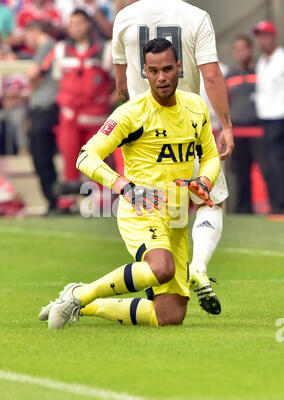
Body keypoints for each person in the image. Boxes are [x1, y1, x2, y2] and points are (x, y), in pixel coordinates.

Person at [41, 38, 221, 330]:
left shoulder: (196, 107)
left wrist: (204, 179)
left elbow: (211, 155)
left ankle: (84, 305)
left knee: (169, 316)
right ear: (145, 73)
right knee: (160, 268)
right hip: (142, 208)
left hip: (177, 214)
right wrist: (124, 186)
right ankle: (78, 295)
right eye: (153, 71)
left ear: (179, 68)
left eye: (167, 69)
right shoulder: (131, 113)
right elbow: (86, 157)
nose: (161, 77)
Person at [112, 0, 234, 313]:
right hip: (187, 124)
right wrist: (226, 125)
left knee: (158, 210)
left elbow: (121, 83)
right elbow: (212, 75)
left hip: (143, 133)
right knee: (211, 202)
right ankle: (197, 266)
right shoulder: (195, 16)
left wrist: (129, 125)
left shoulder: (125, 16)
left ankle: (162, 281)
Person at [40, 8, 115, 199]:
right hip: (69, 117)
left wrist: (107, 101)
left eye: (80, 23)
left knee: (98, 161)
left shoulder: (105, 49)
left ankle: (102, 202)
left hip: (96, 117)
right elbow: (59, 81)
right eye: (72, 24)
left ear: (89, 24)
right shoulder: (60, 49)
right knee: (69, 161)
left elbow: (115, 81)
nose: (76, 28)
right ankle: (68, 202)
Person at [226, 35, 267, 214]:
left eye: (244, 48)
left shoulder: (261, 72)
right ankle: (243, 211)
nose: (241, 52)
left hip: (259, 132)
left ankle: (273, 208)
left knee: (268, 171)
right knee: (240, 175)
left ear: (251, 50)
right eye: (237, 49)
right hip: (238, 133)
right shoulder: (229, 76)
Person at [24, 20, 59, 216]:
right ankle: (52, 200)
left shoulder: (49, 46)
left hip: (47, 108)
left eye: (28, 35)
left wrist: (32, 81)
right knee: (40, 158)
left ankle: (54, 199)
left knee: (43, 157)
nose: (26, 40)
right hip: (40, 108)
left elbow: (32, 74)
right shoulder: (46, 48)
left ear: (35, 31)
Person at [253, 20, 284, 215]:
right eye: (259, 37)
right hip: (266, 118)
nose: (261, 40)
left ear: (273, 37)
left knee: (276, 163)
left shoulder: (281, 59)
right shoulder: (261, 62)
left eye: (265, 36)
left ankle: (280, 206)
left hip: (279, 117)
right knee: (270, 164)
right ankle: (276, 204)